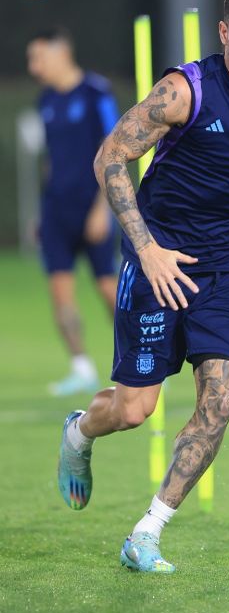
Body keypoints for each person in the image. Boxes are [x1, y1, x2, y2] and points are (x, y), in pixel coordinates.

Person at [55, 0, 229, 573]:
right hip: (161, 261)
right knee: (133, 411)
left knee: (221, 401)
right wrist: (145, 248)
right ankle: (79, 433)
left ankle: (147, 532)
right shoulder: (183, 91)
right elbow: (111, 157)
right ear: (224, 34)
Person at [27, 27, 120, 396]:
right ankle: (81, 368)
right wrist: (42, 210)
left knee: (109, 289)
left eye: (38, 57)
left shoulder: (96, 93)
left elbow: (114, 149)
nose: (34, 67)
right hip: (56, 212)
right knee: (60, 293)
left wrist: (104, 207)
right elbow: (50, 161)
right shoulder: (45, 100)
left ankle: (139, 356)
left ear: (61, 52)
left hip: (91, 207)